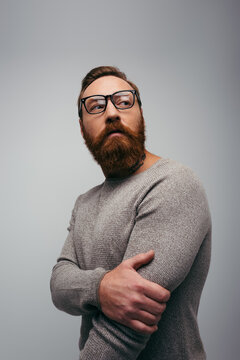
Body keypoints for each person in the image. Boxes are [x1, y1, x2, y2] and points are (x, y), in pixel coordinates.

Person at [50, 66, 212, 360]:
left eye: (124, 101)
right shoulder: (84, 203)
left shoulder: (174, 183)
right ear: (82, 126)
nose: (112, 113)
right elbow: (59, 285)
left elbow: (124, 328)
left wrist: (88, 287)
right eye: (96, 106)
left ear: (140, 114)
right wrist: (100, 288)